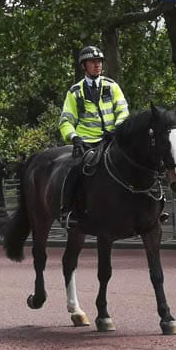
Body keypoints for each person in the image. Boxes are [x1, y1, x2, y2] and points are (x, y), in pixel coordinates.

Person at [57, 45, 130, 228]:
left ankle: (150, 208)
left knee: (137, 160)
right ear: (84, 66)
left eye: (99, 62)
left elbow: (123, 110)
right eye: (93, 62)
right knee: (75, 168)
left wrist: (117, 129)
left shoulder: (112, 86)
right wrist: (74, 137)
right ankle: (68, 211)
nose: (97, 65)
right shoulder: (75, 92)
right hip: (87, 142)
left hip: (112, 139)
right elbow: (66, 120)